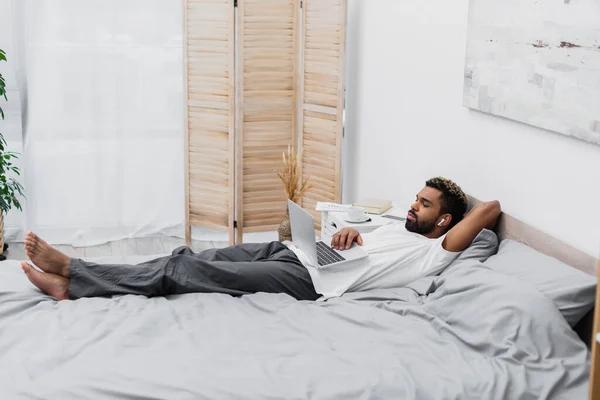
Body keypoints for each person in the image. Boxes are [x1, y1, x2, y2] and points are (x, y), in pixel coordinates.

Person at [21, 177, 501, 301]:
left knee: (183, 271)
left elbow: (489, 210)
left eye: (425, 204)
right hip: (297, 252)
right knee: (190, 253)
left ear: (447, 222)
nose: (413, 205)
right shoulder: (399, 227)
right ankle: (78, 279)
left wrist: (452, 220)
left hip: (309, 280)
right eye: (416, 198)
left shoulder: (433, 250)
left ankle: (75, 276)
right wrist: (349, 231)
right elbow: (357, 238)